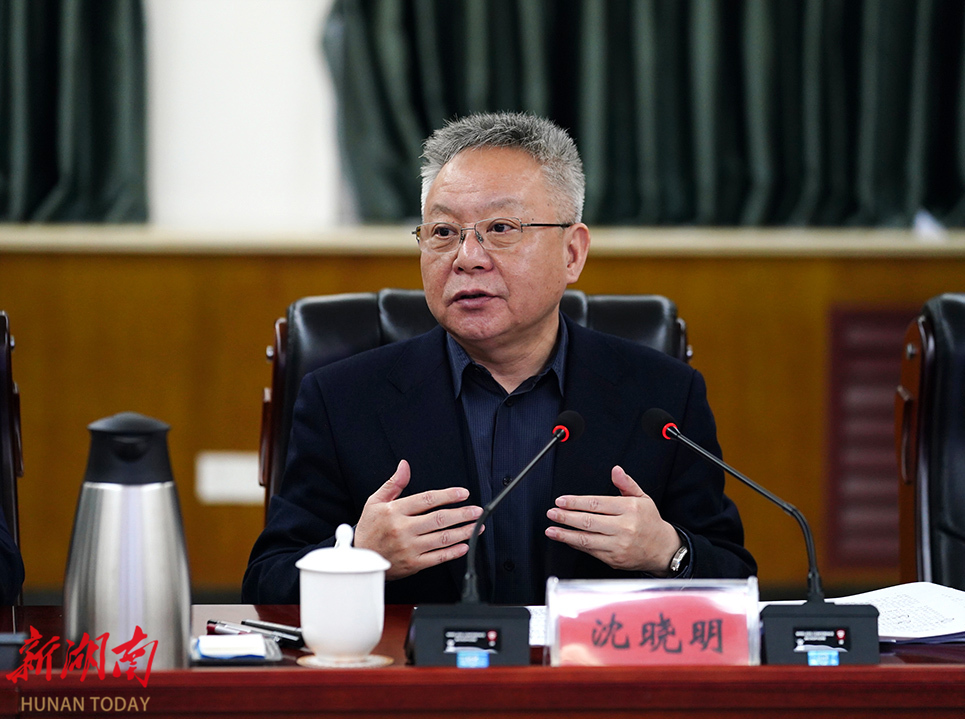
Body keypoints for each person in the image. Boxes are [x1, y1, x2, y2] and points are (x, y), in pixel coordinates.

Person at [243, 112, 755, 606]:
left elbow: (736, 576)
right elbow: (266, 586)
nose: (467, 257)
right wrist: (358, 556)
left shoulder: (662, 397)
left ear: (572, 253)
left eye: (502, 228)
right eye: (443, 232)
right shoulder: (342, 400)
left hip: (592, 665)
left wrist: (669, 553)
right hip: (414, 667)